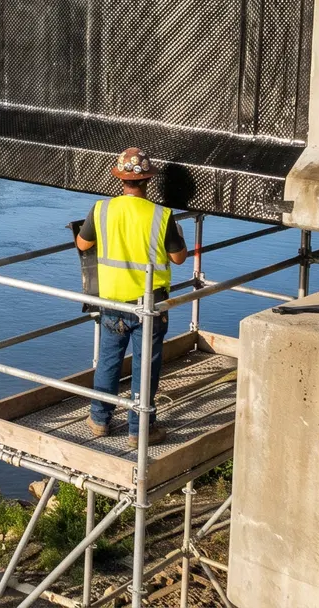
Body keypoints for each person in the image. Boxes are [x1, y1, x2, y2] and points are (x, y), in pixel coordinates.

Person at [74, 147, 190, 444]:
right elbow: (179, 258)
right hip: (149, 303)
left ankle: (99, 419)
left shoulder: (101, 209)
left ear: (120, 179)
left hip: (112, 301)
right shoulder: (161, 216)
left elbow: (83, 244)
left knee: (109, 360)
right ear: (147, 181)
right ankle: (139, 430)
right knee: (145, 365)